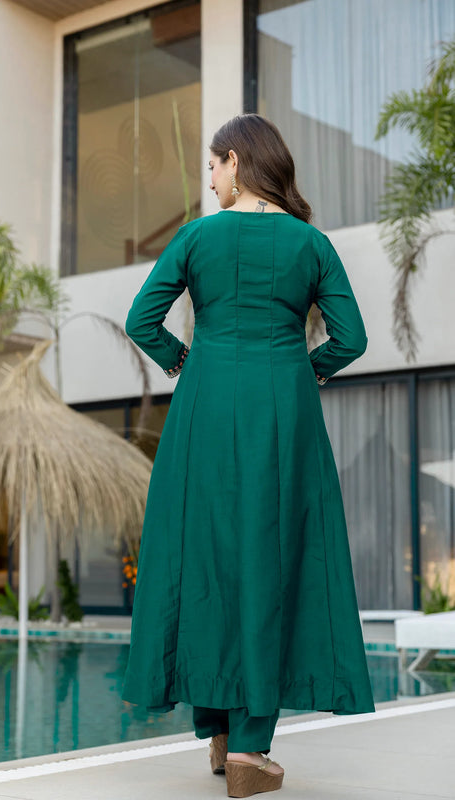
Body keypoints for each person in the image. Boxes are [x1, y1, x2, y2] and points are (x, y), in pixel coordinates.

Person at [121, 113, 375, 798]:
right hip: (282, 410)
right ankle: (249, 750)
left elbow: (141, 319)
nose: (209, 177)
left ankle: (219, 736)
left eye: (213, 165)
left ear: (237, 162)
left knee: (207, 556)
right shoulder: (309, 244)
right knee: (270, 558)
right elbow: (350, 338)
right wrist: (308, 369)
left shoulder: (197, 236)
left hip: (205, 409)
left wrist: (187, 363)